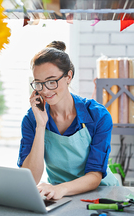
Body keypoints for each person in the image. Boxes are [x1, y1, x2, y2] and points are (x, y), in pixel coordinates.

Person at [17, 41, 119, 200]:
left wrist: (59, 189)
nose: (44, 90)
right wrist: (41, 125)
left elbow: (94, 175)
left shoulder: (97, 116)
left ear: (68, 77)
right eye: (39, 83)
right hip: (60, 196)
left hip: (102, 195)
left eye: (51, 81)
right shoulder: (32, 119)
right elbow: (30, 178)